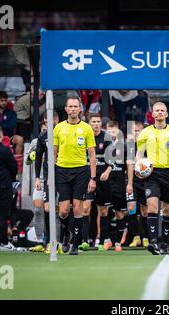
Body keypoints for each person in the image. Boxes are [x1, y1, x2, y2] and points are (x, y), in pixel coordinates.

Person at [136, 101, 169, 255]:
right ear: (152, 114)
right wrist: (138, 166)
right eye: (156, 110)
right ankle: (153, 242)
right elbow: (139, 154)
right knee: (151, 205)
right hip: (152, 174)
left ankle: (164, 243)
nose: (159, 113)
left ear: (166, 114)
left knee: (168, 210)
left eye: (162, 110)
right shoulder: (145, 133)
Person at [53, 96, 97, 255]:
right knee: (64, 210)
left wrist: (93, 178)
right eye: (70, 106)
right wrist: (49, 176)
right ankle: (65, 235)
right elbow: (53, 153)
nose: (72, 109)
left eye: (75, 106)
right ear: (65, 109)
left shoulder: (86, 128)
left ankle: (76, 244)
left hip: (80, 171)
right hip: (61, 170)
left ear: (80, 109)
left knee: (78, 207)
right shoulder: (58, 128)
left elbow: (92, 155)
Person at [29, 112, 67, 254]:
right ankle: (50, 242)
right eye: (47, 121)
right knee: (47, 209)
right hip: (48, 177)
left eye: (53, 120)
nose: (50, 123)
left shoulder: (65, 132)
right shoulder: (43, 136)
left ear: (57, 120)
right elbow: (38, 157)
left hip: (65, 175)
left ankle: (64, 241)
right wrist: (38, 177)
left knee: (64, 210)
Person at [82, 113, 114, 252]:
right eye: (93, 121)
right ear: (89, 123)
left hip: (103, 179)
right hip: (87, 178)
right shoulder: (84, 136)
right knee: (85, 208)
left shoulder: (106, 137)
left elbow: (112, 159)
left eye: (98, 121)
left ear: (101, 123)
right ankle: (84, 240)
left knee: (103, 211)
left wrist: (107, 171)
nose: (95, 124)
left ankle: (101, 241)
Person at [105, 120, 135, 251]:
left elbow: (129, 165)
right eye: (109, 131)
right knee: (104, 211)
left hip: (119, 184)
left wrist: (129, 183)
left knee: (119, 214)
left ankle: (118, 242)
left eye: (114, 131)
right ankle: (105, 240)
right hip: (104, 184)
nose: (112, 133)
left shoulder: (124, 147)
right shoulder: (102, 145)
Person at [127, 121, 149, 248]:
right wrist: (129, 183)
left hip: (146, 182)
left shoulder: (148, 146)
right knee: (131, 209)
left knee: (145, 210)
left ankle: (145, 237)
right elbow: (129, 165)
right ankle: (135, 237)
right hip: (133, 182)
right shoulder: (129, 146)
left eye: (138, 130)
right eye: (134, 131)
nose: (136, 133)